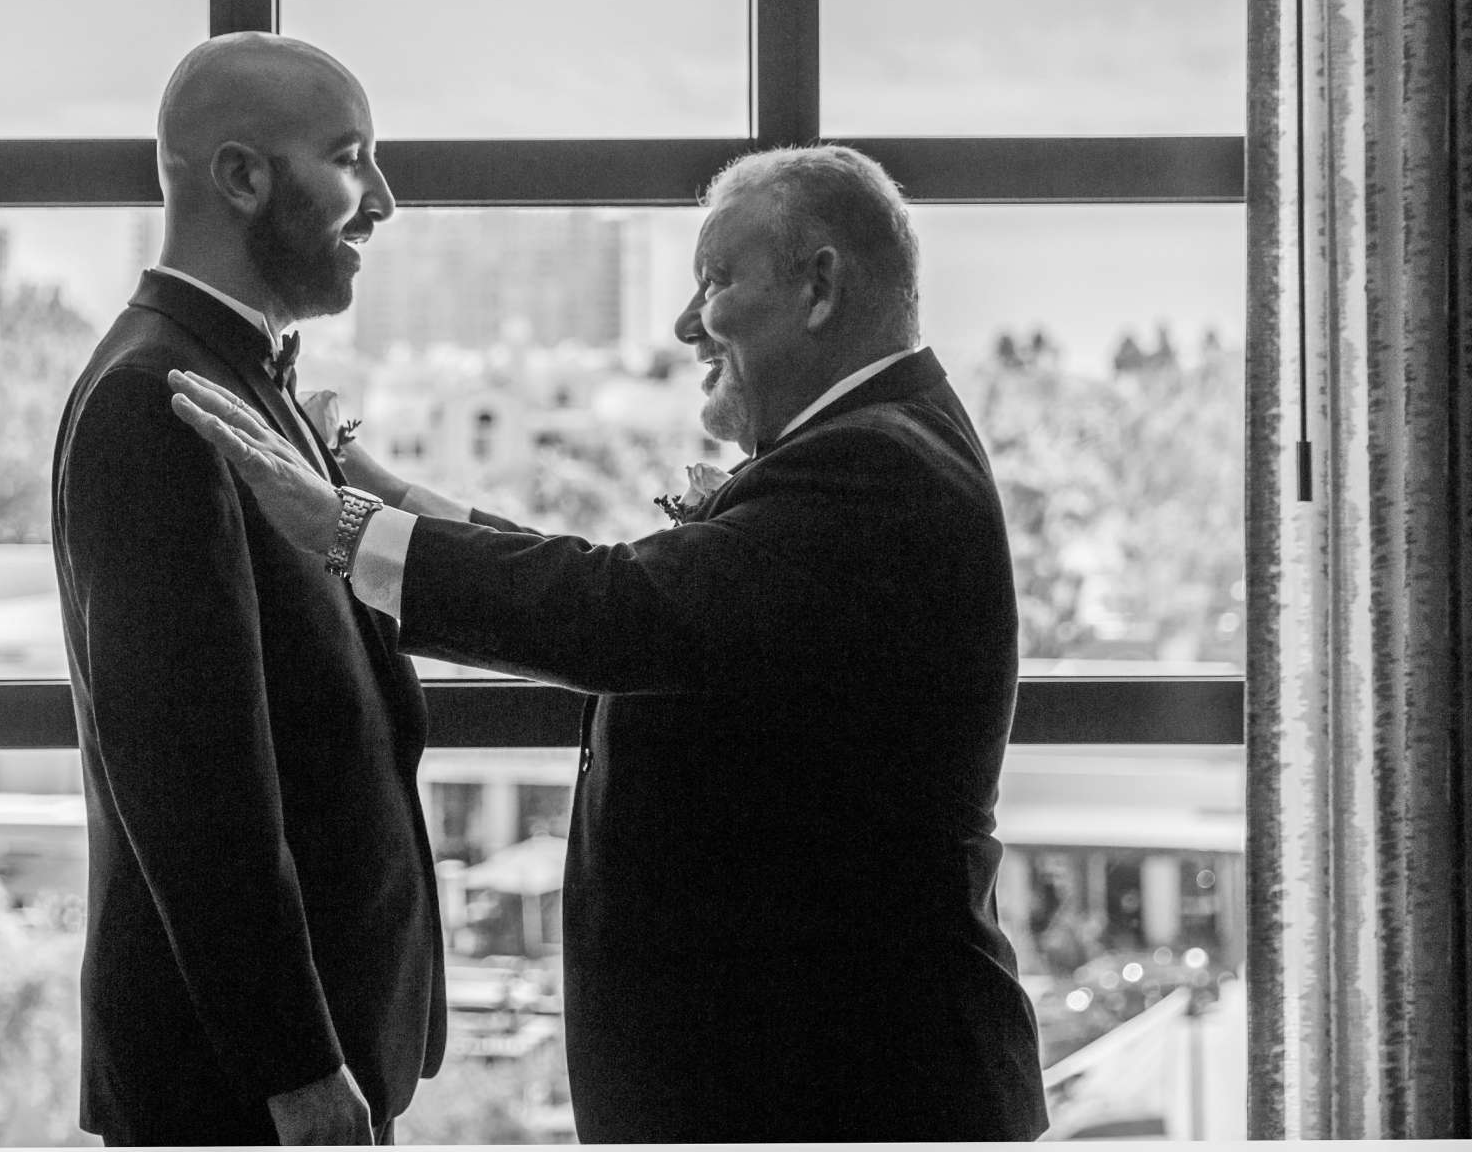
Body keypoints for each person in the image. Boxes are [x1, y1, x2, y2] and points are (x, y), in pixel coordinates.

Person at [168, 145, 1048, 1142]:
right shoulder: (871, 444)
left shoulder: (878, 467)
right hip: (810, 1080)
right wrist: (384, 495)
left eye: (715, 280)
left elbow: (619, 609)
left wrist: (341, 528)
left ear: (819, 284)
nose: (684, 323)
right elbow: (647, 592)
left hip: (845, 1087)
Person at [50, 32, 444, 1145]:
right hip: (234, 1087)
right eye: (351, 157)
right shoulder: (156, 401)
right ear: (240, 175)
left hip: (303, 1050)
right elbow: (190, 775)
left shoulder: (233, 376)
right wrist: (296, 1065)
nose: (382, 201)